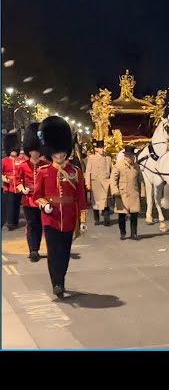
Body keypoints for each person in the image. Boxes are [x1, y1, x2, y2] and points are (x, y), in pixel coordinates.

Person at [33, 116, 88, 298]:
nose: (59, 155)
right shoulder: (43, 172)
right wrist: (45, 205)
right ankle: (56, 283)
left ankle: (61, 279)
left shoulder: (75, 172)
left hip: (69, 218)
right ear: (50, 152)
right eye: (56, 152)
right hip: (50, 218)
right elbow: (37, 195)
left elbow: (80, 196)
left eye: (62, 152)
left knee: (64, 253)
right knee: (53, 251)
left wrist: (83, 220)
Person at [16, 122, 49, 262]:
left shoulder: (45, 166)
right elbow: (17, 182)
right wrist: (22, 189)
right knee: (32, 224)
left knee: (42, 224)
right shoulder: (23, 166)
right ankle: (33, 250)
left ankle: (42, 247)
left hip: (41, 199)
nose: (34, 153)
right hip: (29, 199)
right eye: (32, 151)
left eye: (37, 151)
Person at [110, 145, 145, 241]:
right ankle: (123, 233)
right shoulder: (118, 166)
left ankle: (134, 233)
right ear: (126, 156)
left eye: (133, 156)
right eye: (130, 156)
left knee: (134, 215)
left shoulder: (136, 167)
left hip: (134, 193)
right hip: (122, 194)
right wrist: (115, 190)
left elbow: (140, 180)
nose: (131, 158)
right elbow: (113, 180)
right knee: (122, 215)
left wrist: (142, 193)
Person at [2, 131, 26, 230]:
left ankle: (15, 221)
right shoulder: (4, 161)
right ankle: (11, 222)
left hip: (20, 185)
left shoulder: (21, 160)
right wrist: (4, 178)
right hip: (9, 186)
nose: (14, 151)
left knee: (17, 204)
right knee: (11, 204)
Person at [85, 140, 113, 226]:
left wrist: (112, 182)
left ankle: (106, 219)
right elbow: (88, 171)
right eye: (100, 148)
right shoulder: (91, 158)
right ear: (96, 149)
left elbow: (112, 171)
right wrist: (88, 183)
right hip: (95, 183)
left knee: (106, 202)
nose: (102, 149)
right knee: (96, 202)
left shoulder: (108, 158)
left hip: (106, 182)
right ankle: (96, 218)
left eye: (103, 147)